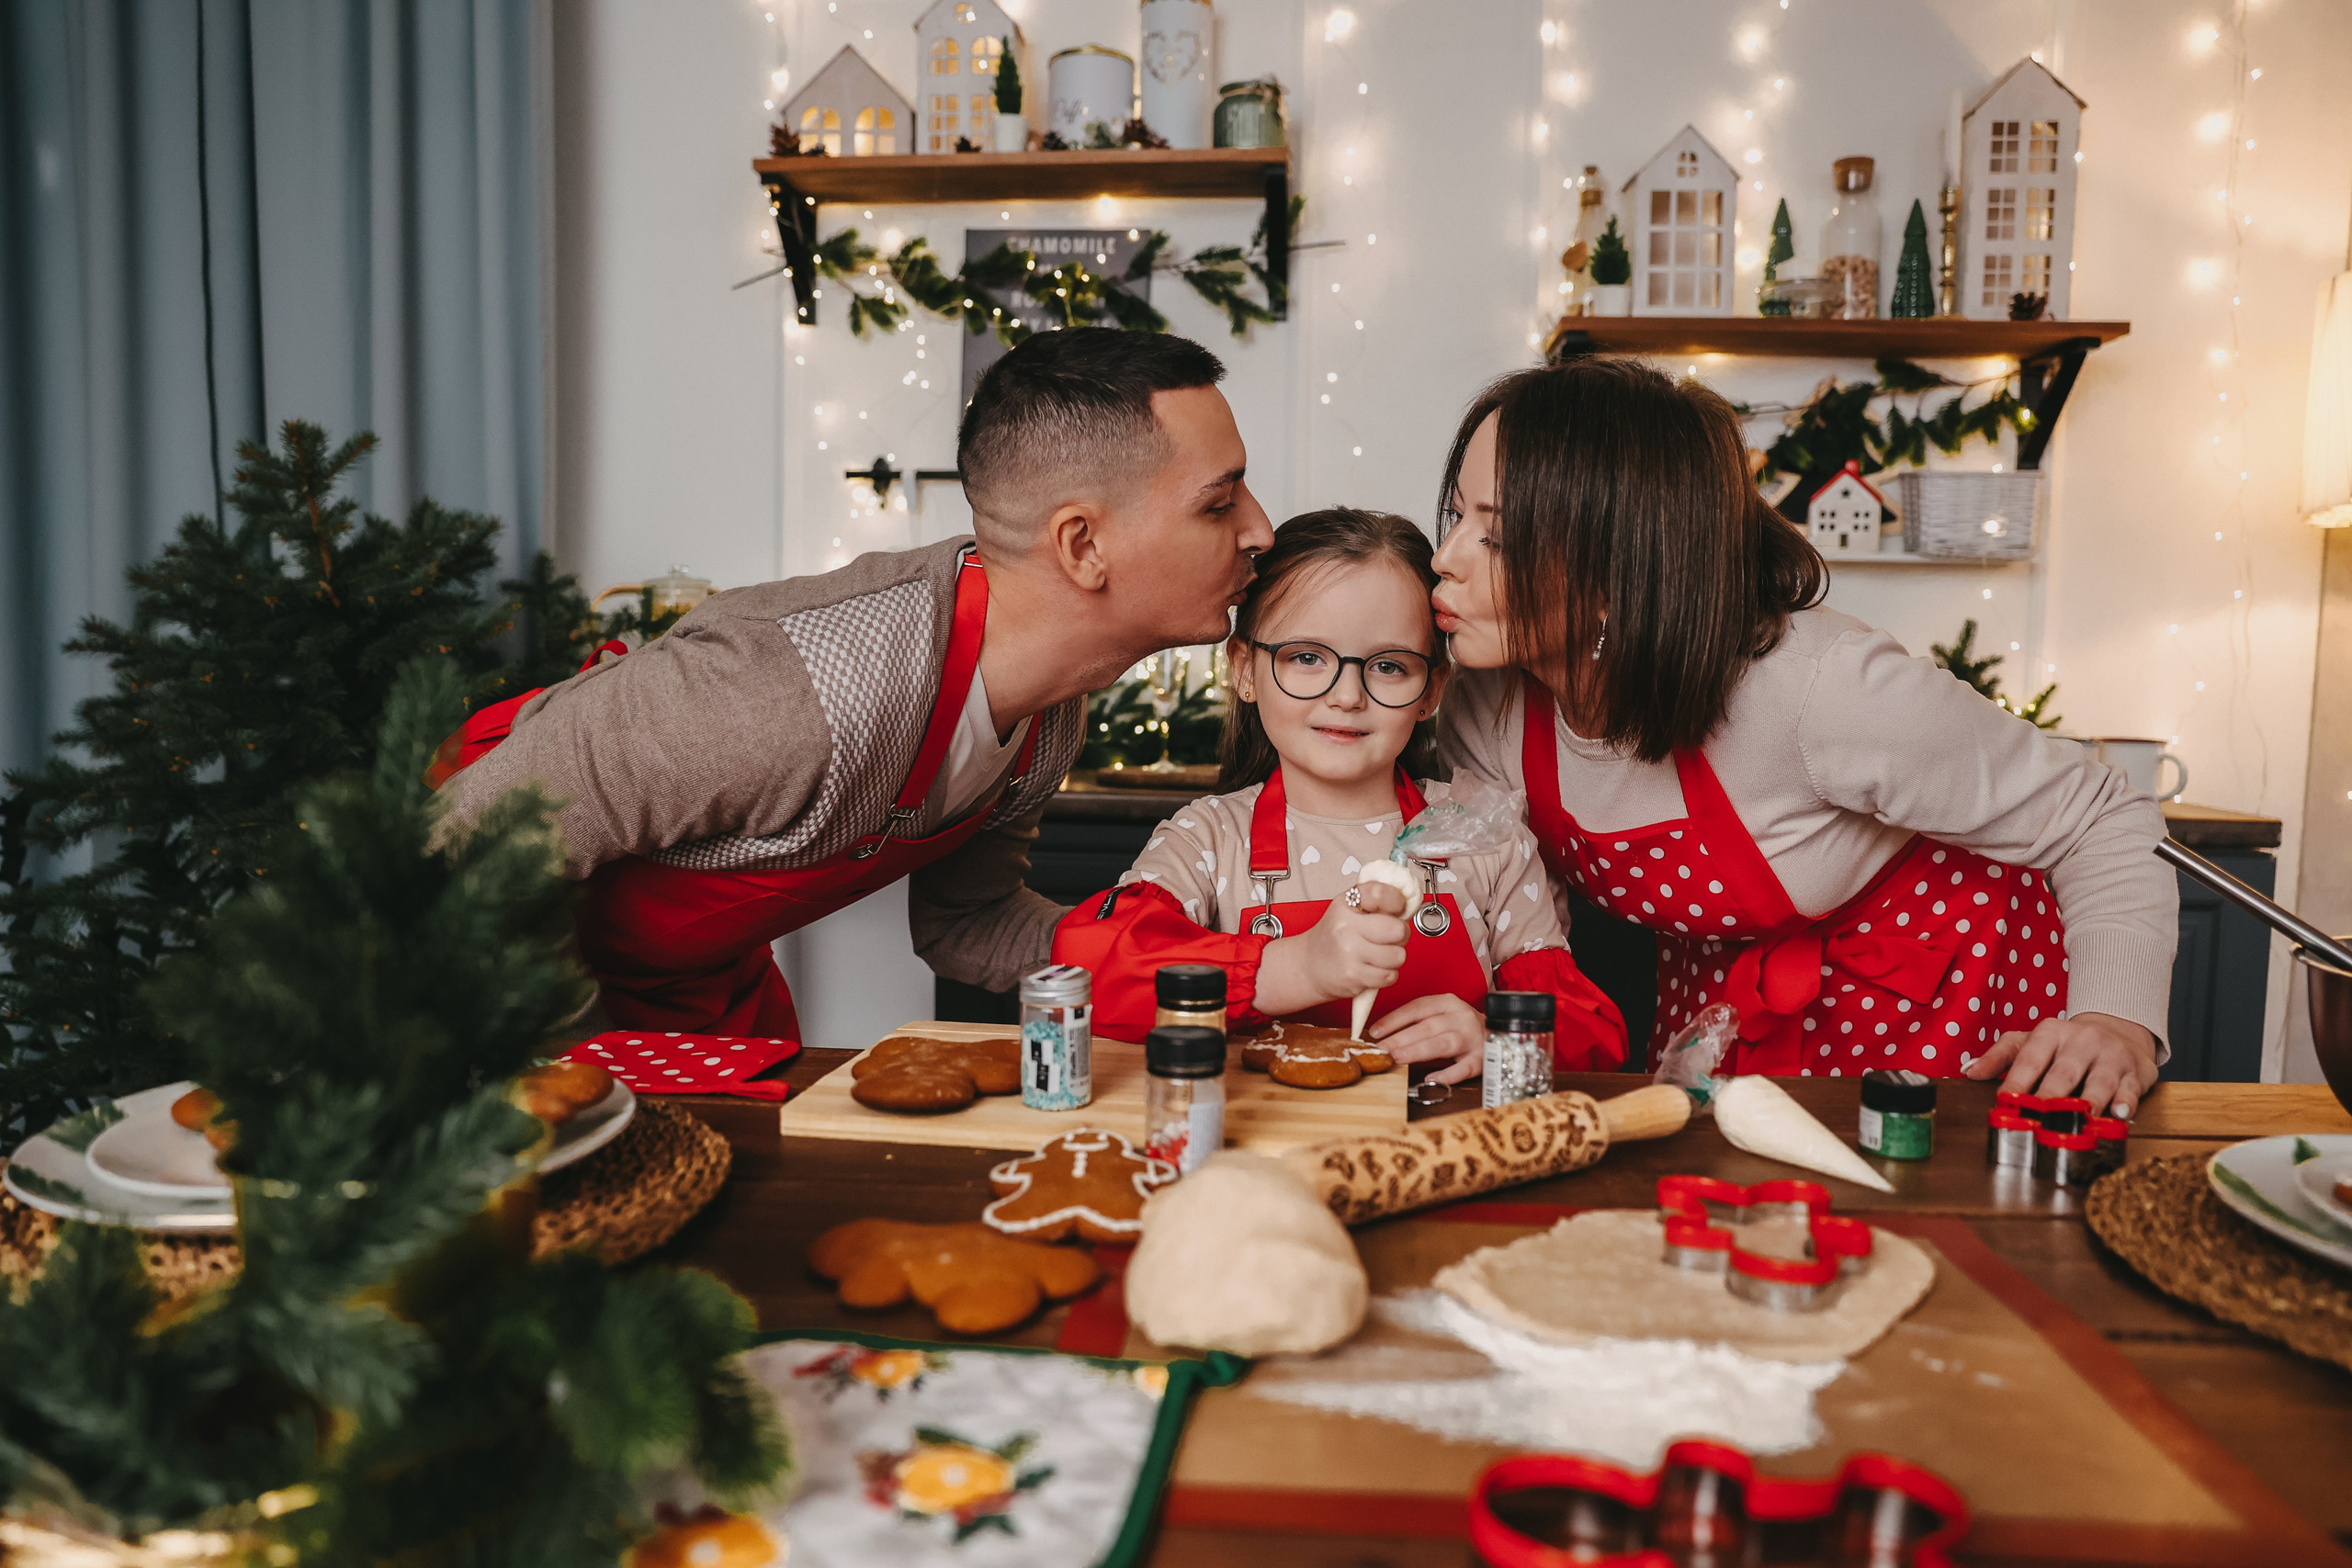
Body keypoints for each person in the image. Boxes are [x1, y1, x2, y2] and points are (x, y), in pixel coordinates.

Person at [435, 329, 1273, 1037]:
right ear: (1082, 546)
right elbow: (456, 854)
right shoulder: (782, 689)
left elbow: (967, 923)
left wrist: (1219, 964)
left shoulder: (1051, 708)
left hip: (691, 981)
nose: (1261, 529)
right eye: (1218, 503)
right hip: (489, 948)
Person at [1430, 356, 2175, 1117]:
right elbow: (1524, 933)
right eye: (1458, 517)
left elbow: (2103, 816)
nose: (1443, 560)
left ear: (1623, 566)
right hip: (1725, 1015)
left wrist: (2116, 1018)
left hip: (1949, 1001)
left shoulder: (1822, 690)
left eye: (1499, 537)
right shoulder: (1485, 708)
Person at [1054, 508, 1625, 1082]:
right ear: (1245, 669)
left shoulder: (1488, 843)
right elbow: (1089, 965)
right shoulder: (1206, 838)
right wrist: (1293, 968)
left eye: (1388, 666)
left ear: (1432, 690)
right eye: (1306, 657)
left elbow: (1594, 1037)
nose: (1348, 695)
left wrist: (1497, 1041)